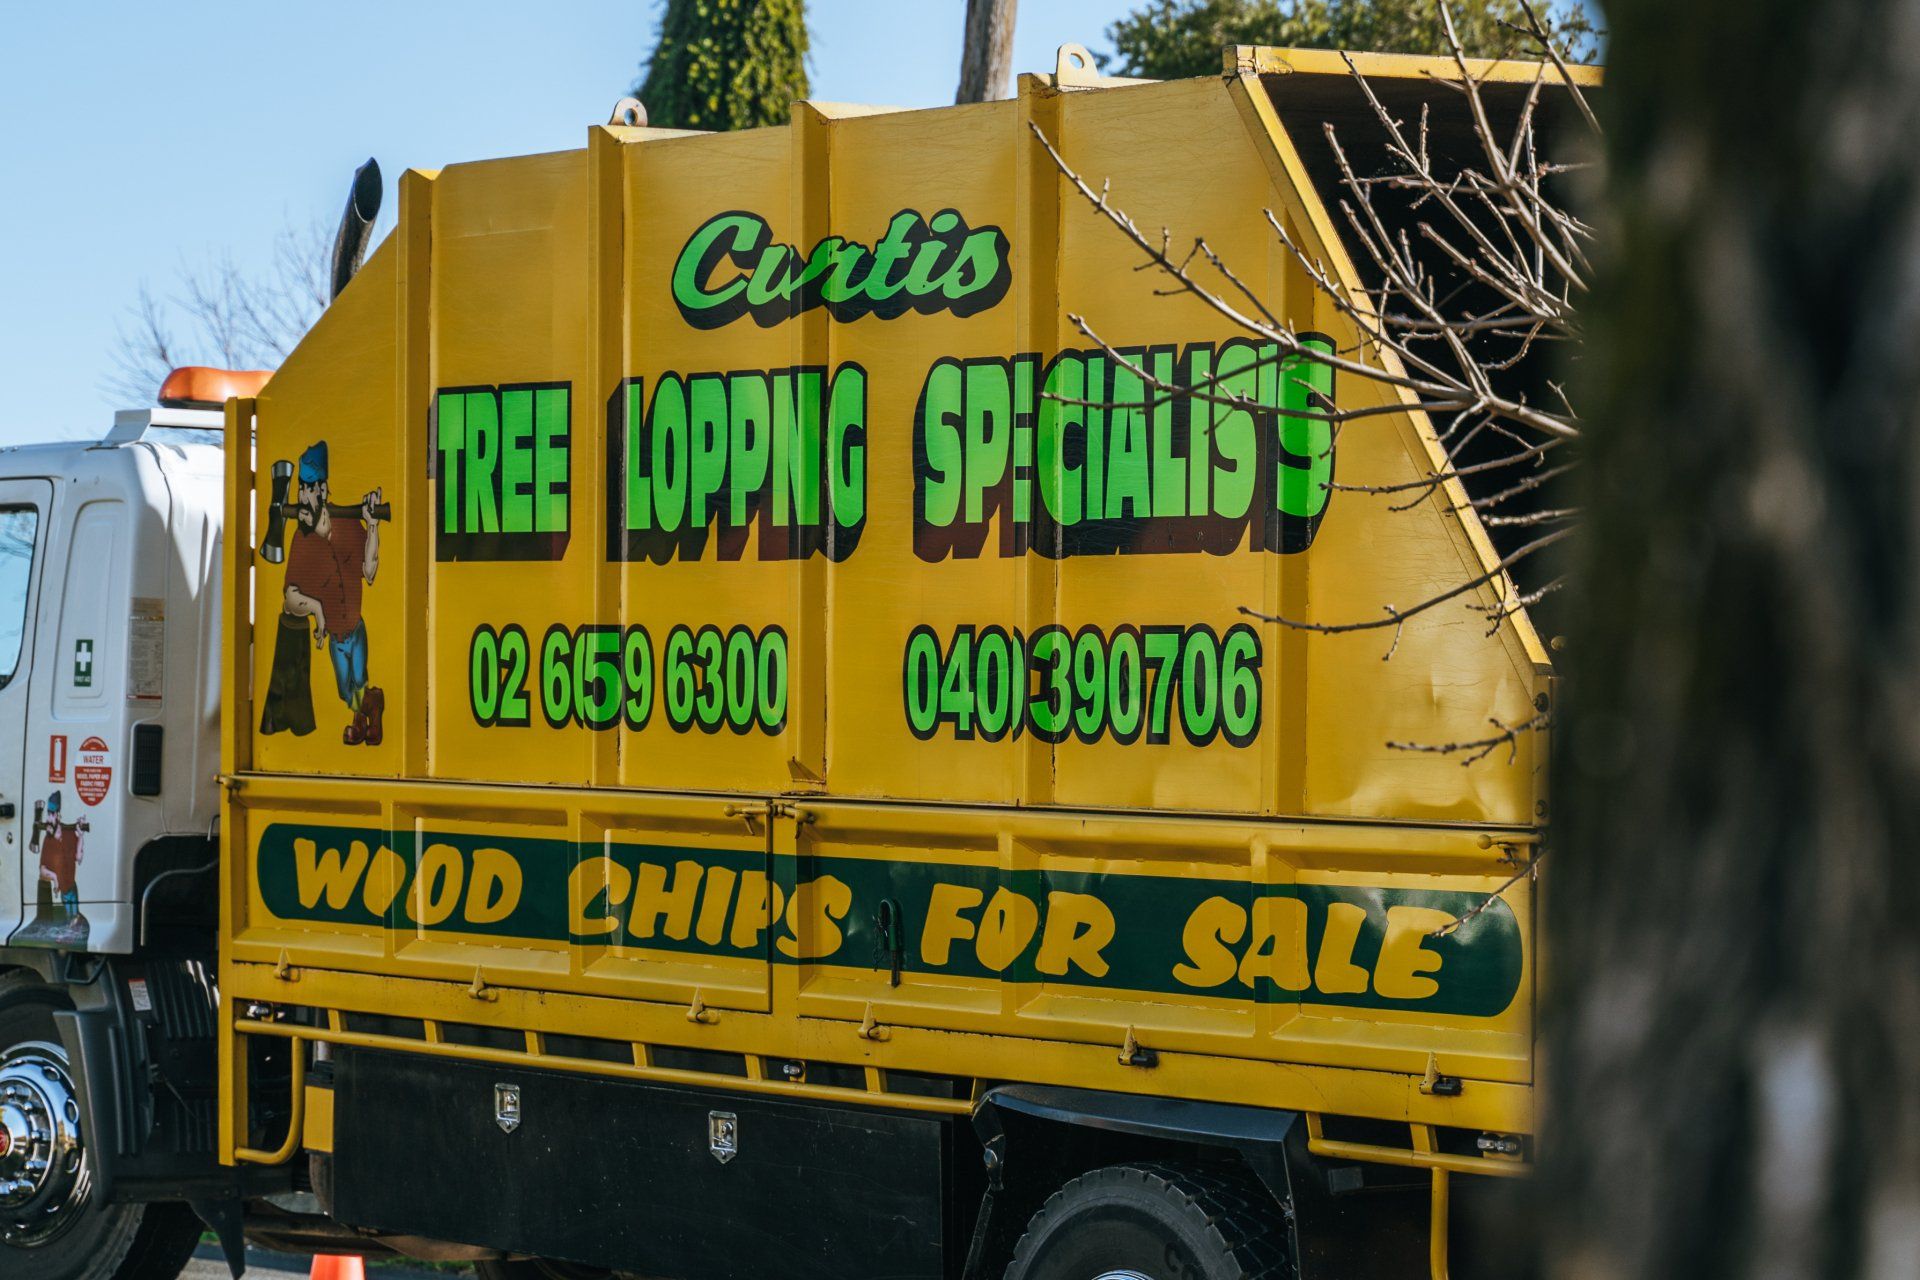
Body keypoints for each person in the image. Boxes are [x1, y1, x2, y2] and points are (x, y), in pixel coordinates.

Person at [280, 441, 386, 745]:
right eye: (302, 488)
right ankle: (373, 706)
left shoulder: (351, 527)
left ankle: (360, 720)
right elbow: (290, 597)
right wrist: (317, 609)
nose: (306, 495)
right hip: (334, 636)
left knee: (359, 677)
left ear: (324, 490)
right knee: (345, 688)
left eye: (312, 488)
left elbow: (369, 570)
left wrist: (373, 526)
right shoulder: (302, 541)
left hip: (355, 625)